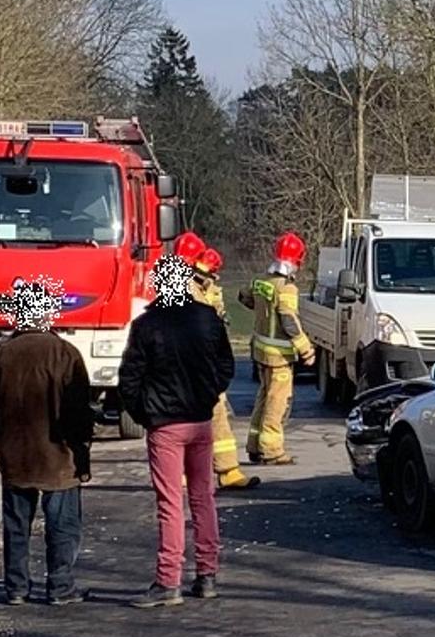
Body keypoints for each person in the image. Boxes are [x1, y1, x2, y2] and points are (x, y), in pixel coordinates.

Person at [120, 257, 236, 608]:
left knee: (171, 503)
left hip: (165, 426)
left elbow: (129, 379)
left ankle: (168, 581)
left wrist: (146, 412)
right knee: (204, 498)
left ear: (158, 284)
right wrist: (209, 394)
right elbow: (226, 365)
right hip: (200, 420)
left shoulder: (147, 325)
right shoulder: (207, 319)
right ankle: (207, 575)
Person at [0, 277, 93, 606]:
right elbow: (79, 410)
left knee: (17, 524)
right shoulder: (65, 353)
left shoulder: (2, 354)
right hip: (59, 456)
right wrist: (82, 453)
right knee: (62, 524)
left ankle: (16, 587)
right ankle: (60, 587)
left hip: (16, 455)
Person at [236, 233, 314, 466]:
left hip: (260, 352)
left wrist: (263, 309)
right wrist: (306, 349)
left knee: (263, 398)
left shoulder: (261, 281)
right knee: (276, 403)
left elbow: (244, 297)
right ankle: (271, 450)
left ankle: (254, 445)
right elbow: (289, 320)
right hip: (279, 356)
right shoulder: (287, 288)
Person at [187, 243, 258, 491]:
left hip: (205, 365)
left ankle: (227, 470)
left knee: (216, 416)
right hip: (193, 366)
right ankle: (190, 474)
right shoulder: (184, 289)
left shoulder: (199, 287)